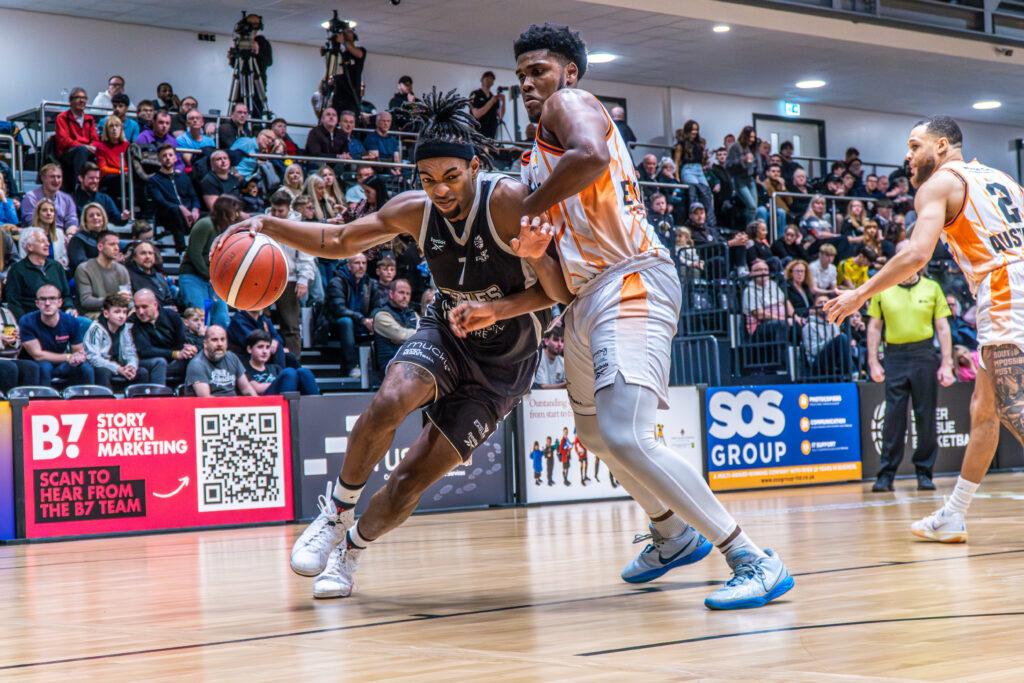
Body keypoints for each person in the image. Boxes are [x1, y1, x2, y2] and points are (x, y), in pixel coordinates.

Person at [217, 88, 554, 599]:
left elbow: (560, 289)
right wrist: (268, 225)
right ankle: (335, 513)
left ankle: (349, 554)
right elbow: (340, 241)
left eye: (451, 177)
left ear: (476, 165)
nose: (439, 189)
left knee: (412, 477)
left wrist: (497, 308)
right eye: (428, 179)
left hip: (504, 365)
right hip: (448, 333)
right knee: (390, 398)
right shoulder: (415, 211)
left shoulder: (506, 202)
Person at [512, 23, 790, 608]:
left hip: (630, 276)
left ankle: (752, 558)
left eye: (538, 71)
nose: (528, 84)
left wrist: (526, 212)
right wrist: (527, 261)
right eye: (521, 76)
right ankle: (670, 531)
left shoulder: (570, 106)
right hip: (585, 297)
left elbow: (589, 156)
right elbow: (557, 286)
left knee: (624, 432)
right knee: (593, 433)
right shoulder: (533, 161)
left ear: (570, 72)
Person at [855, 243, 954, 492]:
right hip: (895, 356)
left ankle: (924, 473)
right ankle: (886, 475)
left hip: (924, 355)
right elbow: (874, 327)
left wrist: (947, 363)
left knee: (926, 416)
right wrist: (873, 361)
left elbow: (942, 328)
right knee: (893, 418)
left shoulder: (932, 288)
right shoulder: (883, 289)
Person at [266, 191, 316, 354]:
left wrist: (303, 279)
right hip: (265, 278)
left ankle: (295, 363)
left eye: (280, 211)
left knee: (291, 325)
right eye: (274, 210)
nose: (276, 214)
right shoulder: (263, 222)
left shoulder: (299, 226)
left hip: (290, 278)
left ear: (288, 208)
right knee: (261, 321)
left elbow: (306, 255)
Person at [179, 195, 238, 329]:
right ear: (224, 212)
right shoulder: (205, 225)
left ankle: (221, 347)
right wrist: (209, 275)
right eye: (234, 211)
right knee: (201, 318)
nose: (237, 215)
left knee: (222, 318)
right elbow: (195, 254)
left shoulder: (226, 230)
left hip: (214, 280)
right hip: (194, 277)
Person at [19, 284, 94, 386]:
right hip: (34, 364)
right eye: (43, 299)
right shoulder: (27, 321)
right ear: (37, 303)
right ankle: (44, 400)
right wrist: (69, 357)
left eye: (52, 298)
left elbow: (78, 352)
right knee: (45, 367)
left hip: (61, 362)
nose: (47, 303)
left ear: (60, 302)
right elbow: (38, 355)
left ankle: (87, 400)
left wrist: (77, 358)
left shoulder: (71, 321)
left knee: (85, 368)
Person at [5, 227, 74, 319]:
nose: (48, 244)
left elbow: (66, 295)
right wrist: (26, 322)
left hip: (59, 317)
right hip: (32, 319)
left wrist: (69, 308)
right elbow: (14, 303)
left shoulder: (56, 266)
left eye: (47, 241)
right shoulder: (17, 270)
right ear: (30, 246)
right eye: (42, 241)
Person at [129, 288, 192, 386]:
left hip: (174, 362)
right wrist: (175, 354)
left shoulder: (172, 316)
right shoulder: (133, 321)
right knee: (160, 363)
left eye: (144, 307)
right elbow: (145, 350)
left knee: (194, 359)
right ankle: (158, 397)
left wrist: (190, 349)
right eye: (137, 308)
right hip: (151, 362)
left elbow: (183, 340)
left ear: (155, 305)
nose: (140, 312)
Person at [84, 292, 147, 389]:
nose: (122, 316)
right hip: (102, 367)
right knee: (103, 372)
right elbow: (93, 358)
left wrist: (131, 367)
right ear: (106, 313)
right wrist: (118, 368)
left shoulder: (126, 328)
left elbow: (131, 353)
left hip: (120, 366)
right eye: (117, 312)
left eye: (124, 312)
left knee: (142, 372)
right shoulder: (95, 329)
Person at [147, 144, 199, 251]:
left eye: (170, 155)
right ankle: (181, 250)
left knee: (210, 216)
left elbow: (194, 196)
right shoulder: (154, 180)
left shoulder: (184, 177)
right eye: (164, 156)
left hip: (189, 212)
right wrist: (180, 208)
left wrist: (195, 209)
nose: (168, 158)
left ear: (175, 158)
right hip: (168, 214)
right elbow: (160, 201)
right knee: (175, 212)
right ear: (159, 159)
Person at [185, 325, 257, 397]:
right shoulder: (197, 364)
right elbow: (205, 398)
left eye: (223, 339)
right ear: (205, 343)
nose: (220, 344)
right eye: (214, 340)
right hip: (211, 406)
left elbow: (246, 389)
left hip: (234, 405)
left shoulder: (232, 357)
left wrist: (259, 405)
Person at [243, 330, 319, 396]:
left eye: (267, 347)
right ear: (249, 349)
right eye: (260, 347)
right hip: (264, 402)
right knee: (289, 373)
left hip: (281, 396)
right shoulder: (244, 368)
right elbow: (256, 388)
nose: (265, 351)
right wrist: (281, 382)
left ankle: (317, 406)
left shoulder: (275, 368)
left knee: (304, 372)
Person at [75, 231, 131, 320]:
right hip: (94, 316)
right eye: (112, 244)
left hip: (119, 315)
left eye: (117, 245)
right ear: (100, 246)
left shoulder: (122, 270)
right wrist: (113, 300)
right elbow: (86, 301)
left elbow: (128, 298)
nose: (116, 248)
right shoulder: (84, 269)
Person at [55, 88, 100, 191]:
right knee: (81, 150)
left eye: (84, 98)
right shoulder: (62, 117)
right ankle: (80, 186)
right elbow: (64, 141)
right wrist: (84, 146)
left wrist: (92, 147)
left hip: (87, 150)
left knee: (101, 150)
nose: (82, 101)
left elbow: (95, 139)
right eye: (78, 98)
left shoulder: (89, 119)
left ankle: (98, 185)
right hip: (68, 153)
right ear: (70, 101)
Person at [673, 120, 715, 227]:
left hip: (699, 169)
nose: (694, 132)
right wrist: (676, 176)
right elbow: (676, 161)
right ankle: (694, 220)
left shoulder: (699, 144)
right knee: (694, 191)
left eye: (696, 130)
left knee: (707, 193)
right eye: (692, 130)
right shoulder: (681, 144)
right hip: (688, 169)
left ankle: (709, 222)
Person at [371, 278, 418, 370]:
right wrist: (418, 335)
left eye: (408, 294)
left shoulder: (413, 314)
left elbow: (424, 335)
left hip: (412, 360)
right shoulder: (381, 316)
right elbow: (401, 335)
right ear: (391, 294)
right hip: (390, 363)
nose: (405, 296)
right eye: (401, 292)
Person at [19, 164, 78, 231]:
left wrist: (70, 234)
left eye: (59, 177)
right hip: (38, 234)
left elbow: (72, 220)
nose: (56, 180)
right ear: (43, 178)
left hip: (63, 235)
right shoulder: (31, 197)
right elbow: (31, 221)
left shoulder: (67, 199)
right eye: (52, 177)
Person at [726, 125, 759, 225]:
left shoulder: (752, 148)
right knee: (752, 207)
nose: (752, 140)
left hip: (750, 179)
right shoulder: (735, 147)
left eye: (754, 137)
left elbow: (757, 164)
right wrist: (742, 161)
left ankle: (752, 230)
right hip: (740, 180)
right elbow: (728, 165)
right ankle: (750, 232)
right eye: (750, 137)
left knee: (754, 209)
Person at [126, 240, 173, 306]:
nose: (148, 257)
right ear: (134, 257)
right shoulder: (127, 276)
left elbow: (168, 300)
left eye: (150, 253)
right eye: (143, 253)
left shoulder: (159, 277)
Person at [25, 199, 68, 269]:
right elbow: (23, 257)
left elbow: (64, 257)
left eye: (52, 211)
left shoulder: (59, 233)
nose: (49, 213)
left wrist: (62, 262)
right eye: (44, 210)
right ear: (38, 214)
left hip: (55, 270)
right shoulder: (27, 233)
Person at [364, 112, 402, 177]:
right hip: (379, 170)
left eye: (388, 121)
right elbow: (376, 161)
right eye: (383, 121)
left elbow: (396, 158)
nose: (386, 123)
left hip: (391, 169)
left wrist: (397, 170)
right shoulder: (371, 138)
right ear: (377, 123)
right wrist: (391, 170)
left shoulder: (393, 139)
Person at [469, 71, 505, 139]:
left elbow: (500, 116)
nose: (489, 80)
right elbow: (476, 114)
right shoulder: (475, 94)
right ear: (482, 79)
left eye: (491, 79)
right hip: (477, 134)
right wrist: (492, 101)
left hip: (491, 135)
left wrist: (503, 103)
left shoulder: (493, 97)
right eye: (487, 78)